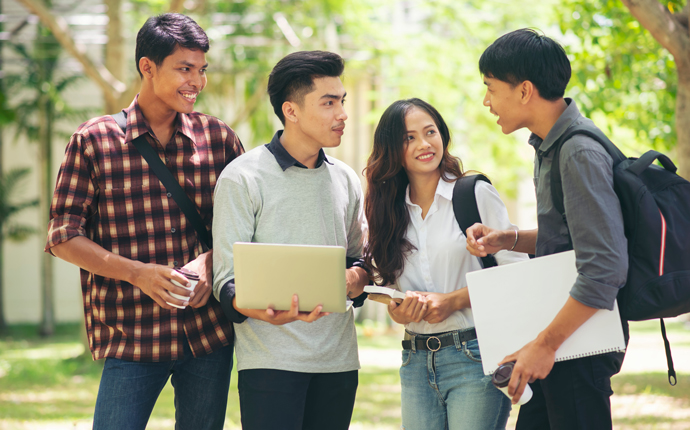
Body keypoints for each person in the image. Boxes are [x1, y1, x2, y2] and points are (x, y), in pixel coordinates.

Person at [45, 13, 243, 430]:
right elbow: (63, 236)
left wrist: (210, 263)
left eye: (201, 69)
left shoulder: (220, 139)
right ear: (147, 67)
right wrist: (137, 274)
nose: (197, 81)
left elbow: (248, 228)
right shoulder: (93, 141)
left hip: (208, 333)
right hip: (130, 333)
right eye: (184, 69)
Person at [466, 28, 628, 429]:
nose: (486, 101)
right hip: (563, 342)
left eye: (490, 88)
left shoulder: (577, 151)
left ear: (524, 91)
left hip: (577, 345)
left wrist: (544, 345)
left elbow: (604, 267)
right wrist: (511, 239)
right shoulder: (550, 145)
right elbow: (576, 237)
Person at [212, 50, 369, 430]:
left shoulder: (346, 178)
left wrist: (355, 279)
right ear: (291, 111)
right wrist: (262, 310)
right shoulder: (242, 177)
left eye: (342, 101)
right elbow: (225, 280)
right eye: (328, 103)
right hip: (270, 364)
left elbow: (361, 260)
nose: (342, 114)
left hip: (338, 362)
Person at [363, 98, 527, 430]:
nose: (424, 144)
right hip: (414, 358)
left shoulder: (473, 193)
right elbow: (394, 288)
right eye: (409, 137)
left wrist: (453, 301)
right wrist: (399, 310)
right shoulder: (388, 211)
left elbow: (518, 273)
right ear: (392, 148)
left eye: (430, 132)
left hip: (475, 354)